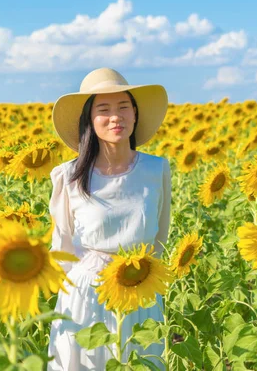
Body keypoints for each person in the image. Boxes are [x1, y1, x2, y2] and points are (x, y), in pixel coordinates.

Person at [47, 68, 172, 370]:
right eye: (104, 109)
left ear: (135, 114)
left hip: (140, 289)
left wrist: (144, 278)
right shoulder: (69, 175)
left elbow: (160, 236)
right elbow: (61, 245)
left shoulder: (156, 170)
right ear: (89, 120)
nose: (116, 117)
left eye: (123, 108)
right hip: (87, 294)